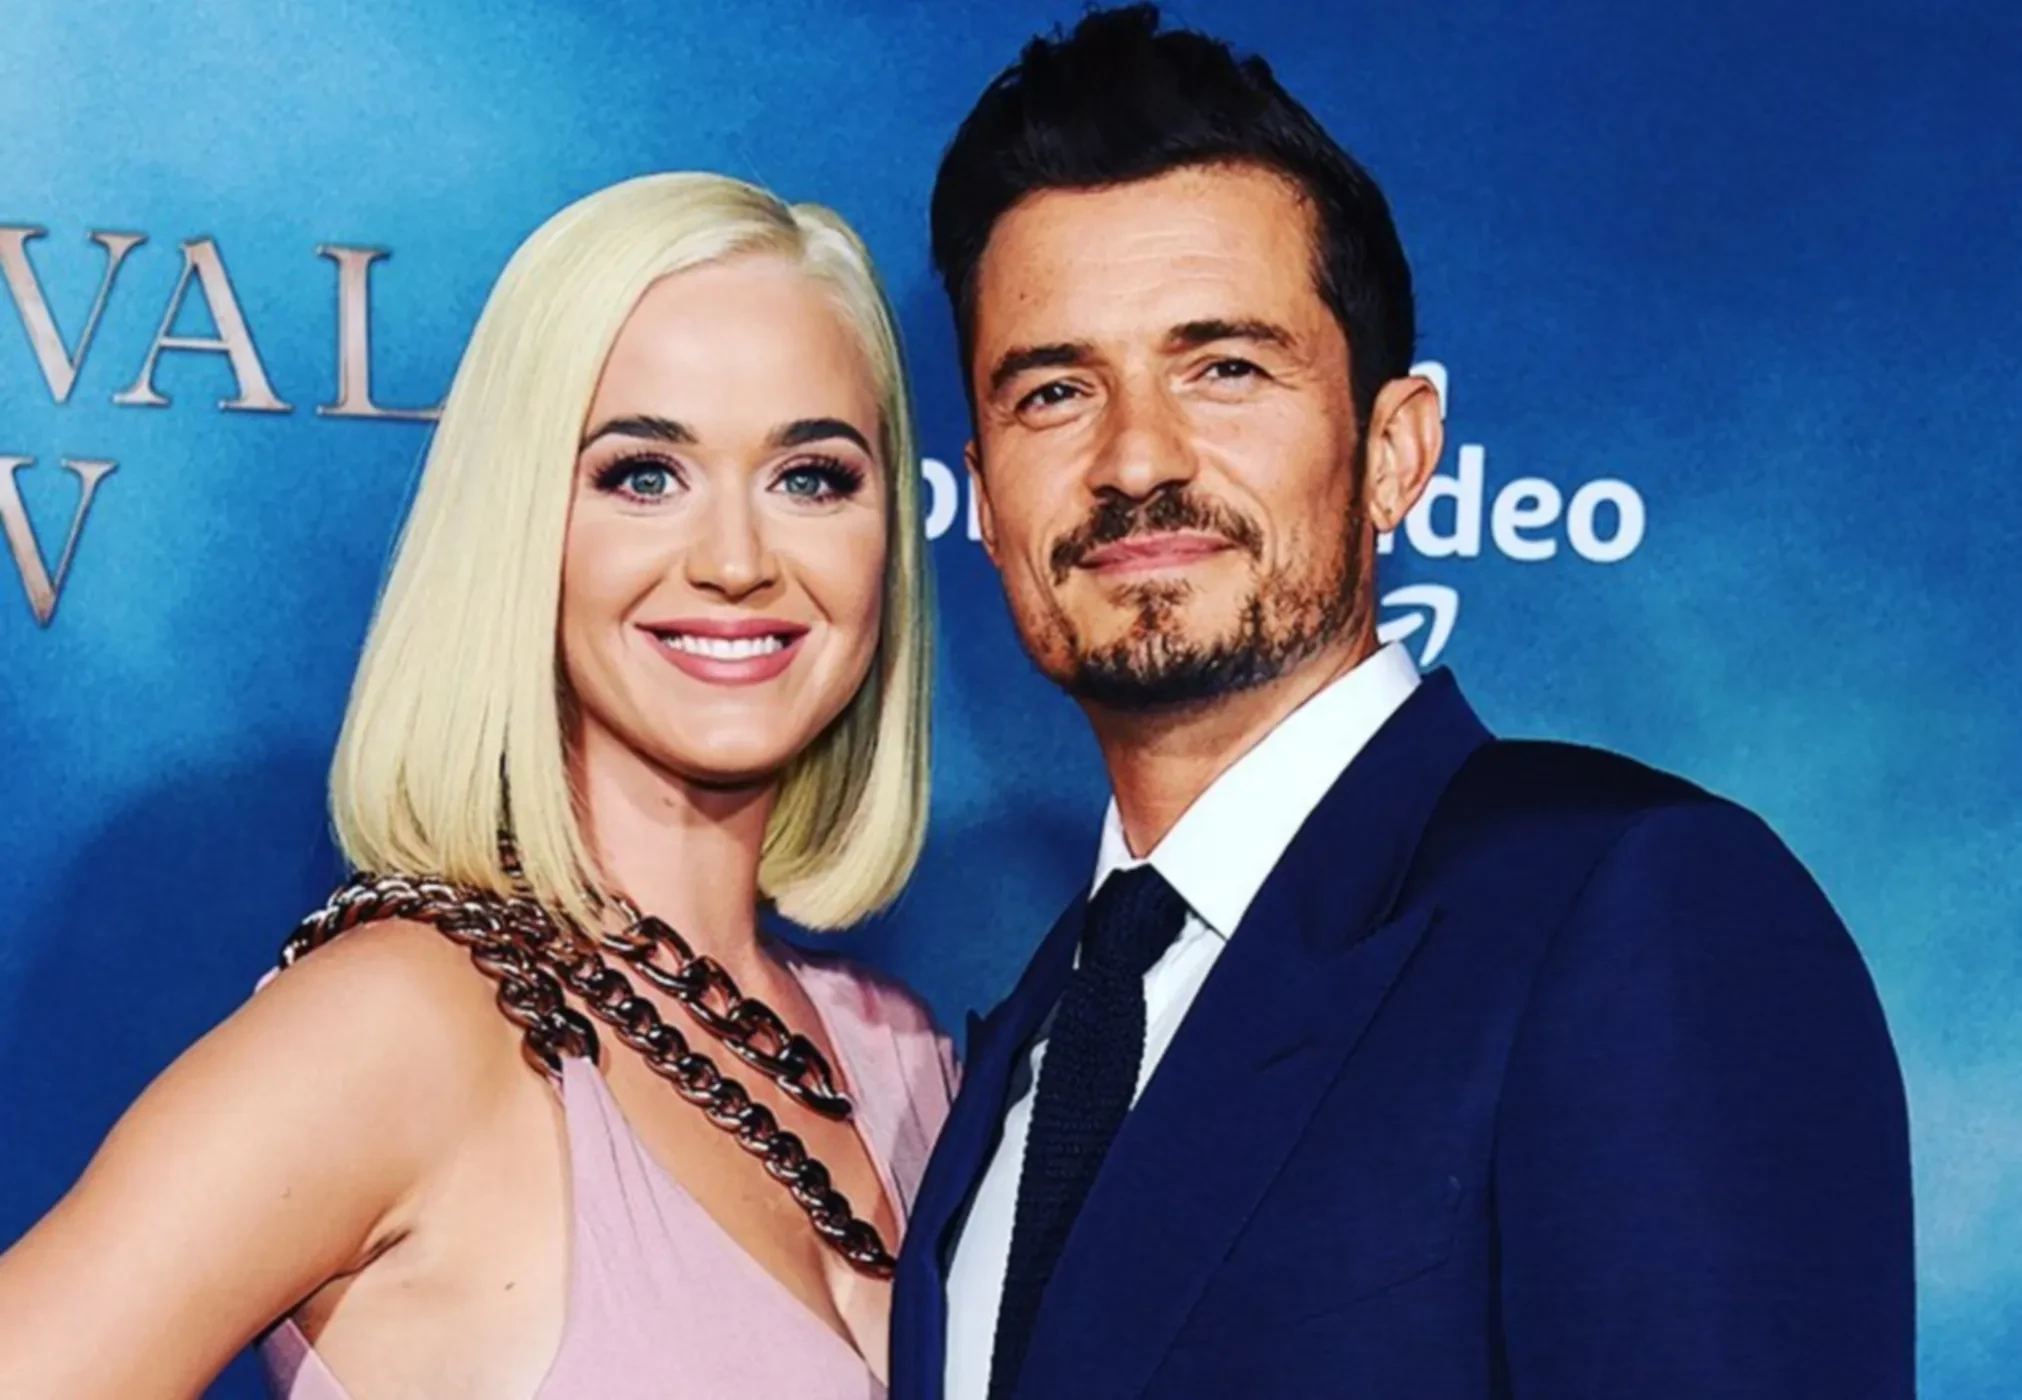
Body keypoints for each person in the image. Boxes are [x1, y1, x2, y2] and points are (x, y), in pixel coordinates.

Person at [892, 7, 1914, 1399]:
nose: (1136, 459)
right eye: (1056, 390)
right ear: (984, 494)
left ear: (1394, 450)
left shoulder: (1631, 911)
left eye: (1224, 368)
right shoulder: (1032, 1038)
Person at [0, 171, 952, 1400]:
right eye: (643, 474)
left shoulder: (906, 1057)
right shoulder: (397, 1028)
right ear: (521, 522)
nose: (735, 559)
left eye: (811, 476)